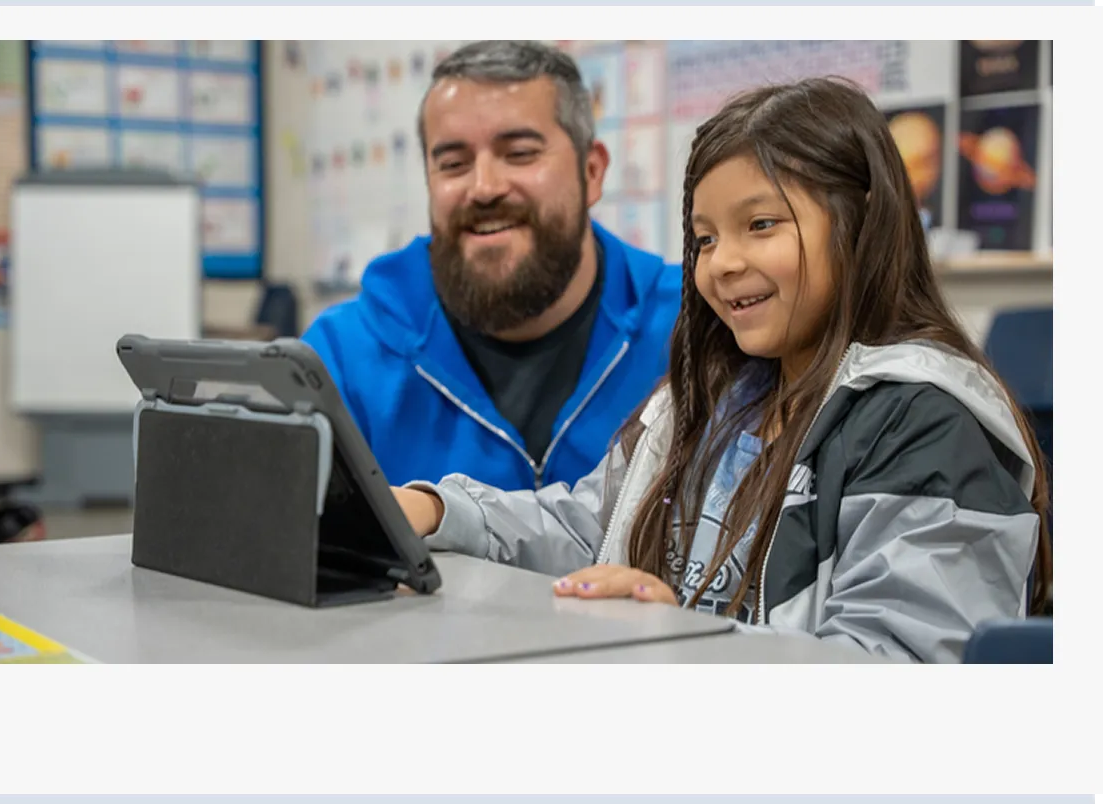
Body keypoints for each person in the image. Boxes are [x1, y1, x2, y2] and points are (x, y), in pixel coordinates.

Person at [393, 77, 1052, 664]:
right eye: (705, 239)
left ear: (861, 223)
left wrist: (682, 640)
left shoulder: (925, 420)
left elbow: (898, 671)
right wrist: (432, 509)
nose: (721, 263)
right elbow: (587, 527)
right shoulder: (716, 397)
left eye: (759, 225)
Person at [301, 41, 681, 490]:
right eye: (454, 163)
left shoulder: (692, 331)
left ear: (591, 172)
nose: (484, 188)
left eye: (519, 153)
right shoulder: (342, 359)